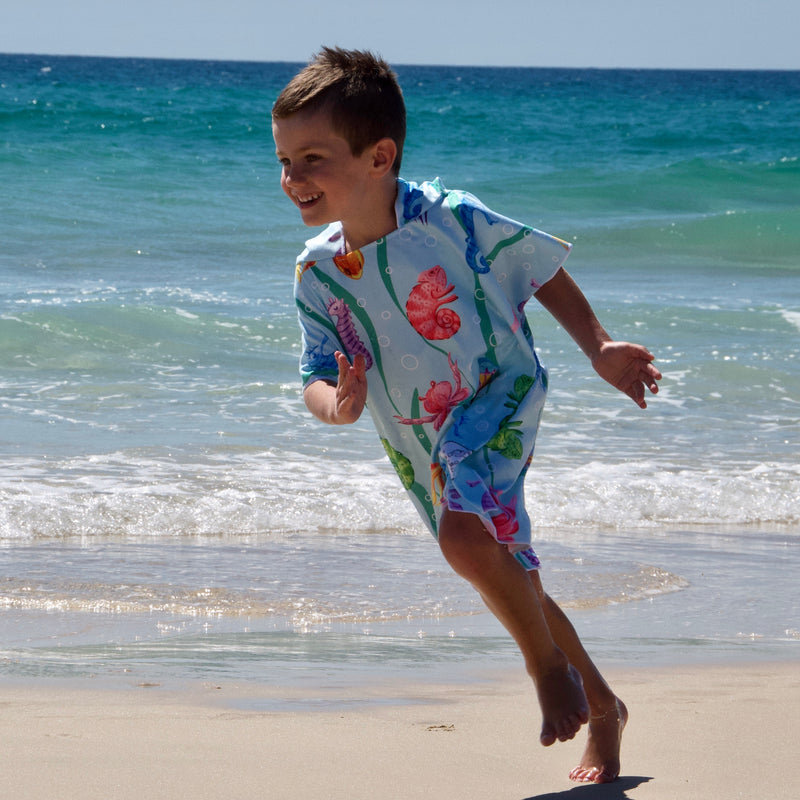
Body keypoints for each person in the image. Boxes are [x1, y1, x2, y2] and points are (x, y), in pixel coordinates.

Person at [272, 47, 661, 785]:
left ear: (380, 155)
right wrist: (337, 406)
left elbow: (538, 267)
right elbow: (314, 377)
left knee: (464, 539)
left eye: (312, 159)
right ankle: (604, 704)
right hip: (416, 441)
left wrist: (601, 346)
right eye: (285, 161)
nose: (293, 180)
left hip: (498, 398)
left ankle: (548, 668)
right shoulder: (317, 273)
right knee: (503, 570)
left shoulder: (450, 219)